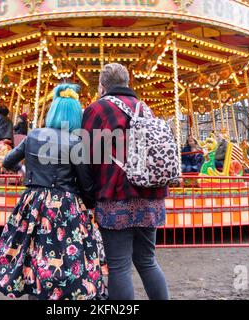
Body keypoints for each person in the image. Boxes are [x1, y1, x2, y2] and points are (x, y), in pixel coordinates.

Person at [0, 84, 107, 300]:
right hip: (65, 204)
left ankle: (33, 291)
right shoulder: (76, 142)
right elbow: (85, 183)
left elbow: (7, 161)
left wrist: (26, 170)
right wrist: (90, 202)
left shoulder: (34, 136)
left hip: (34, 201)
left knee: (31, 251)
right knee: (68, 256)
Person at [82, 63, 169, 300]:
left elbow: (88, 157)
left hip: (115, 195)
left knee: (119, 266)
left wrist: (89, 196)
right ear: (128, 82)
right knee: (147, 261)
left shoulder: (96, 110)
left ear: (102, 86)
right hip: (151, 195)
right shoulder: (146, 109)